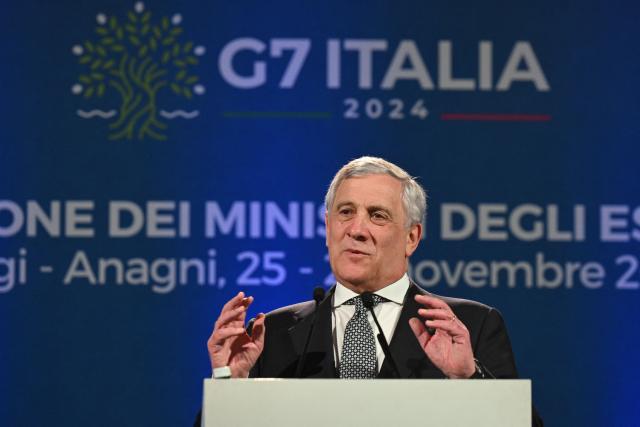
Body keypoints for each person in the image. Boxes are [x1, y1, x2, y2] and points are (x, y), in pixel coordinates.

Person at [203, 156, 542, 425]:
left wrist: (469, 379)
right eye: (345, 212)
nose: (356, 230)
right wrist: (228, 384)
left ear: (412, 237)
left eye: (377, 215)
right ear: (328, 227)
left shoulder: (468, 325)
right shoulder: (272, 334)